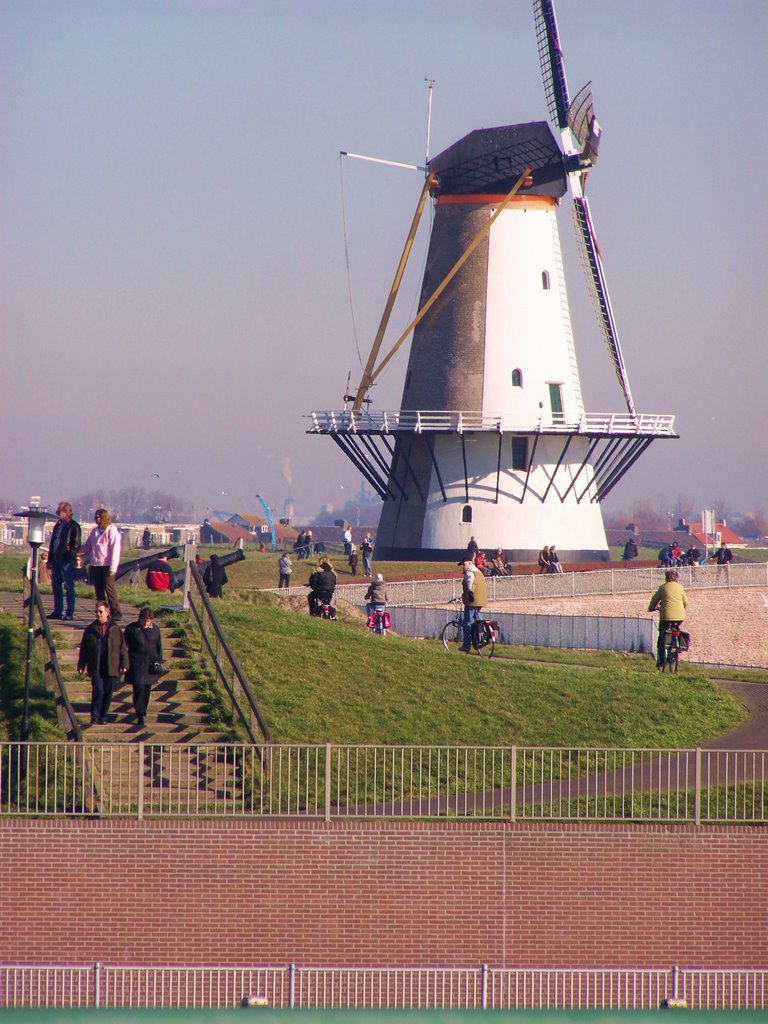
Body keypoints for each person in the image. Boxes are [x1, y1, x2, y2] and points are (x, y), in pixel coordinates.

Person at [77, 601, 127, 725]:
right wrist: (81, 664)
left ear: (107, 613)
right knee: (98, 690)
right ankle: (95, 716)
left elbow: (122, 647)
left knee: (108, 693)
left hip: (111, 666)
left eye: (100, 612)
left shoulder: (115, 629)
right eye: (96, 612)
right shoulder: (90, 629)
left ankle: (103, 716)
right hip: (96, 666)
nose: (98, 614)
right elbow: (84, 649)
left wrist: (124, 664)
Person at [124, 606, 163, 727]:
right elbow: (124, 647)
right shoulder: (131, 629)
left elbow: (159, 646)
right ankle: (140, 714)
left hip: (150, 665)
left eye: (148, 621)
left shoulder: (155, 630)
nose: (145, 624)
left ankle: (143, 711)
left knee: (146, 690)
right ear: (139, 619)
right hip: (136, 664)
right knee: (139, 689)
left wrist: (159, 660)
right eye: (143, 621)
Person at [82, 508, 122, 620]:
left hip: (107, 565)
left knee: (109, 588)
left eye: (98, 517)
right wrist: (75, 550)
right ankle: (102, 611)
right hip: (95, 565)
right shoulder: (94, 531)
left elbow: (115, 550)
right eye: (95, 517)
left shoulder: (111, 530)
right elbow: (88, 547)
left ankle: (116, 611)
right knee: (98, 590)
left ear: (104, 518)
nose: (96, 519)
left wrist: (113, 568)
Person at [46, 501, 81, 620]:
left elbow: (75, 545)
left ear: (67, 512)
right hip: (56, 558)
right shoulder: (58, 525)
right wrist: (50, 559)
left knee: (68, 586)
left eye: (60, 511)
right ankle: (58, 610)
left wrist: (69, 555)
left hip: (65, 560)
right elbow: (53, 543)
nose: (58, 513)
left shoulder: (74, 526)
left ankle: (69, 612)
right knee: (56, 586)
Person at [648, 569, 689, 669]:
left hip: (666, 617)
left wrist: (652, 608)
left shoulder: (663, 588)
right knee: (676, 627)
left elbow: (654, 601)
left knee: (662, 636)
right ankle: (678, 645)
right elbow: (686, 602)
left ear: (666, 578)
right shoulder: (680, 588)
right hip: (679, 617)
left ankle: (661, 662)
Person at [459, 557, 488, 653]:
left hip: (472, 601)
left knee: (466, 622)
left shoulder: (469, 573)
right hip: (481, 601)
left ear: (469, 563)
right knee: (478, 619)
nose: (463, 567)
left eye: (464, 564)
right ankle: (482, 635)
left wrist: (466, 596)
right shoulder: (479, 572)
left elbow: (470, 585)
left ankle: (466, 645)